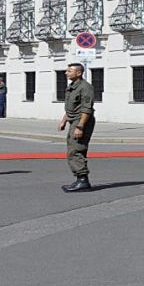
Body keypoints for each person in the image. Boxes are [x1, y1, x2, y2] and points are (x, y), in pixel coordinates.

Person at [60, 62, 97, 192]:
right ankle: (79, 179)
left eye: (69, 71)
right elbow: (72, 107)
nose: (66, 73)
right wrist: (64, 120)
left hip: (81, 121)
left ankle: (83, 181)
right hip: (74, 120)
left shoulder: (85, 87)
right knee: (73, 148)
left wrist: (80, 127)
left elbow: (86, 109)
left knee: (76, 150)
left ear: (79, 73)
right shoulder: (73, 86)